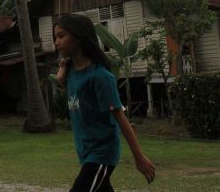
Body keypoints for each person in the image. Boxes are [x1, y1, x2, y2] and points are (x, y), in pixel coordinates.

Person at [54, 14, 155, 192]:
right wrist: (61, 75)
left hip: (102, 152)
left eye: (61, 36)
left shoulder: (101, 77)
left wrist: (139, 158)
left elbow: (119, 115)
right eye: (56, 37)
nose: (56, 42)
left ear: (78, 37)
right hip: (85, 151)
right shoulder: (71, 73)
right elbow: (75, 94)